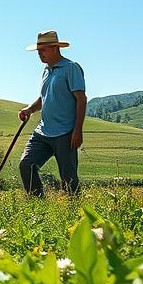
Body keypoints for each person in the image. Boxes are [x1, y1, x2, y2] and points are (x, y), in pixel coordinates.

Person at [17, 30, 86, 196]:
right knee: (26, 164)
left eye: (43, 50)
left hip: (65, 132)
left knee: (68, 178)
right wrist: (29, 109)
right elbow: (44, 97)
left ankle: (75, 212)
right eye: (38, 51)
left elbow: (81, 99)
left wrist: (77, 130)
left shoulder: (71, 68)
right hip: (43, 131)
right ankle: (37, 206)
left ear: (55, 48)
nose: (39, 54)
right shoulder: (46, 71)